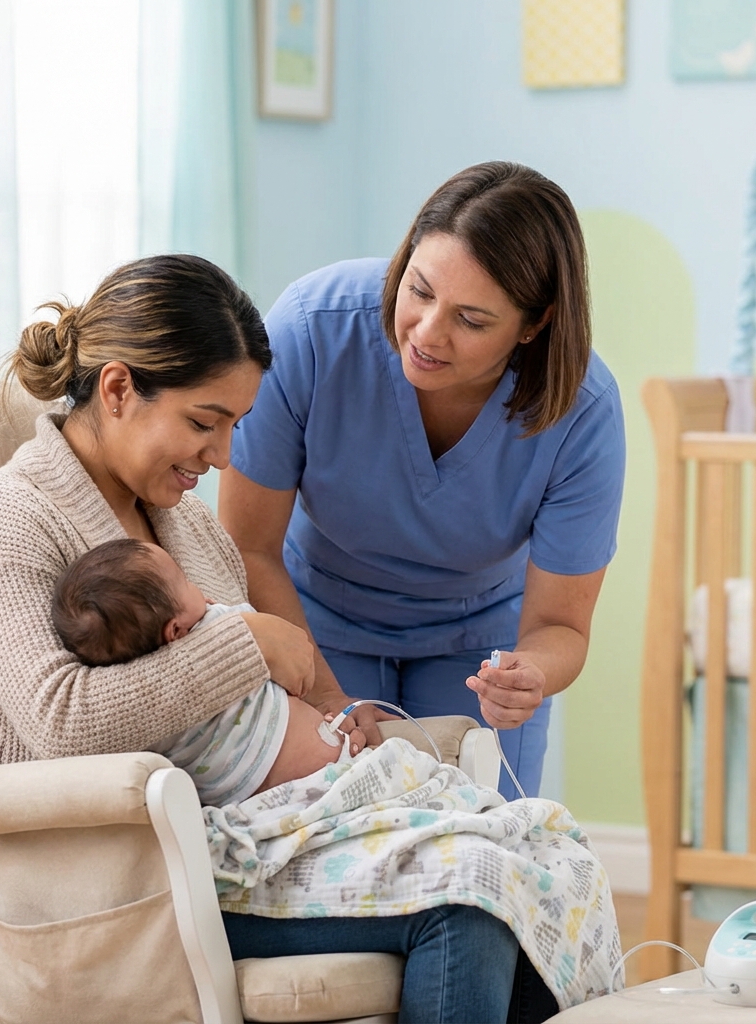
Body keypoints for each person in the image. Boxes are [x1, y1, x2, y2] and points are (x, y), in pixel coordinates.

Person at [0, 254, 559, 1023]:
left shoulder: (186, 526)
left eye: (236, 426)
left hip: (240, 849)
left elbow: (246, 705)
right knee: (469, 898)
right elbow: (63, 723)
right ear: (120, 388)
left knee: (526, 865)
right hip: (116, 881)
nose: (224, 456)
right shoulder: (4, 524)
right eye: (205, 422)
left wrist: (333, 709)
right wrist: (251, 647)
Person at [219, 161, 626, 801]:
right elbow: (246, 546)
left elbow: (561, 628)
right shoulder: (314, 328)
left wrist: (530, 675)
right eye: (419, 289)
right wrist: (326, 693)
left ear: (534, 324)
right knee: (324, 840)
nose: (428, 333)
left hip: (479, 649)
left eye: (472, 319)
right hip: (310, 621)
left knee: (487, 839)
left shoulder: (584, 412)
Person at [50, 537, 353, 804]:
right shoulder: (222, 625)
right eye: (186, 581)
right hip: (329, 778)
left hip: (248, 808)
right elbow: (292, 672)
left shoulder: (144, 726)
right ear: (175, 630)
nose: (199, 588)